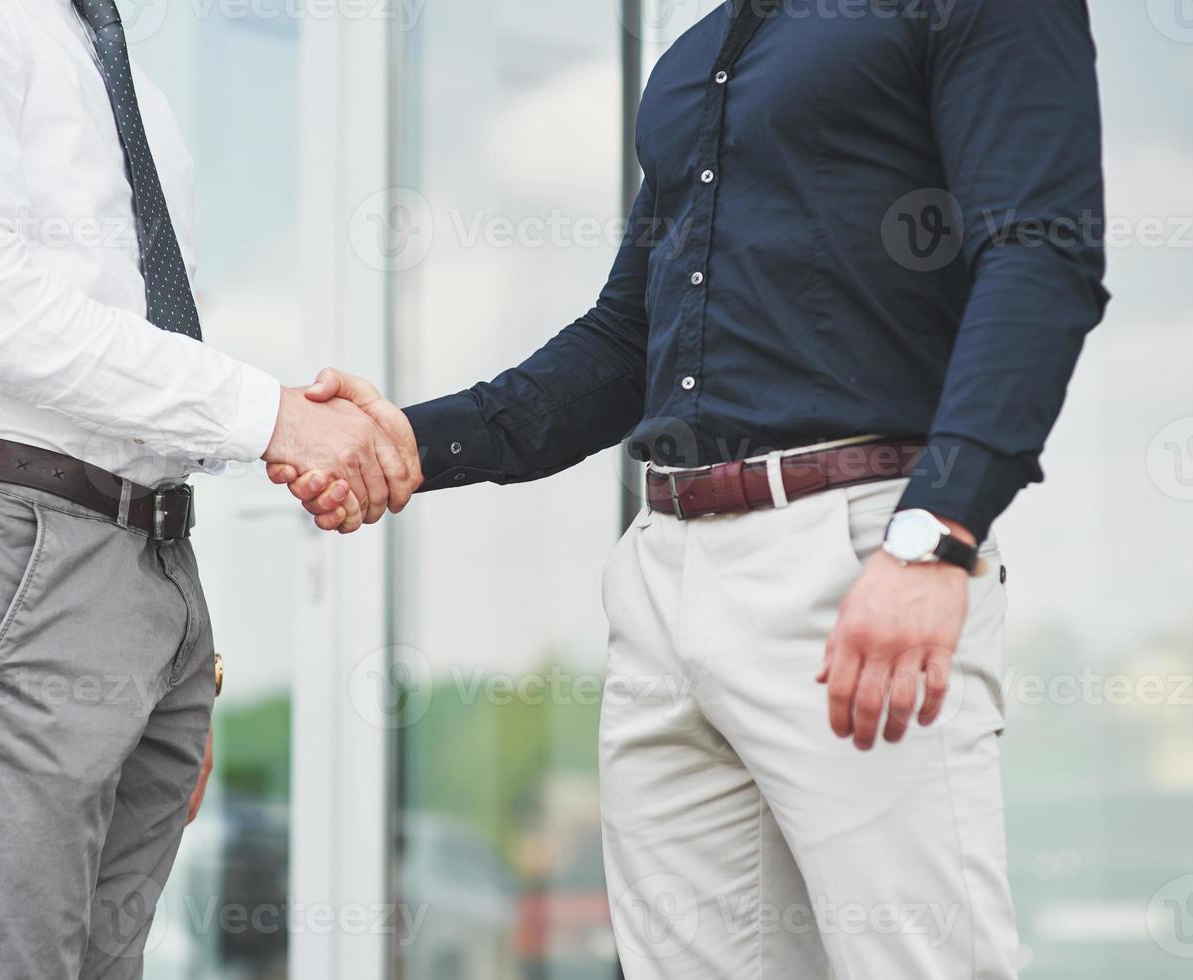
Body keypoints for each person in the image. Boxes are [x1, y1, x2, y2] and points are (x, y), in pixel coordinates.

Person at [274, 0, 1109, 975]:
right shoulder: (695, 57)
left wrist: (934, 533)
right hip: (664, 571)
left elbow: (1039, 254)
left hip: (855, 558)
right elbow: (626, 341)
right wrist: (410, 441)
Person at [0, 0, 415, 976]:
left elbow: (119, 334)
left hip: (127, 560)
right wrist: (271, 415)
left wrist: (161, 638)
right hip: (9, 541)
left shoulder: (106, 53)